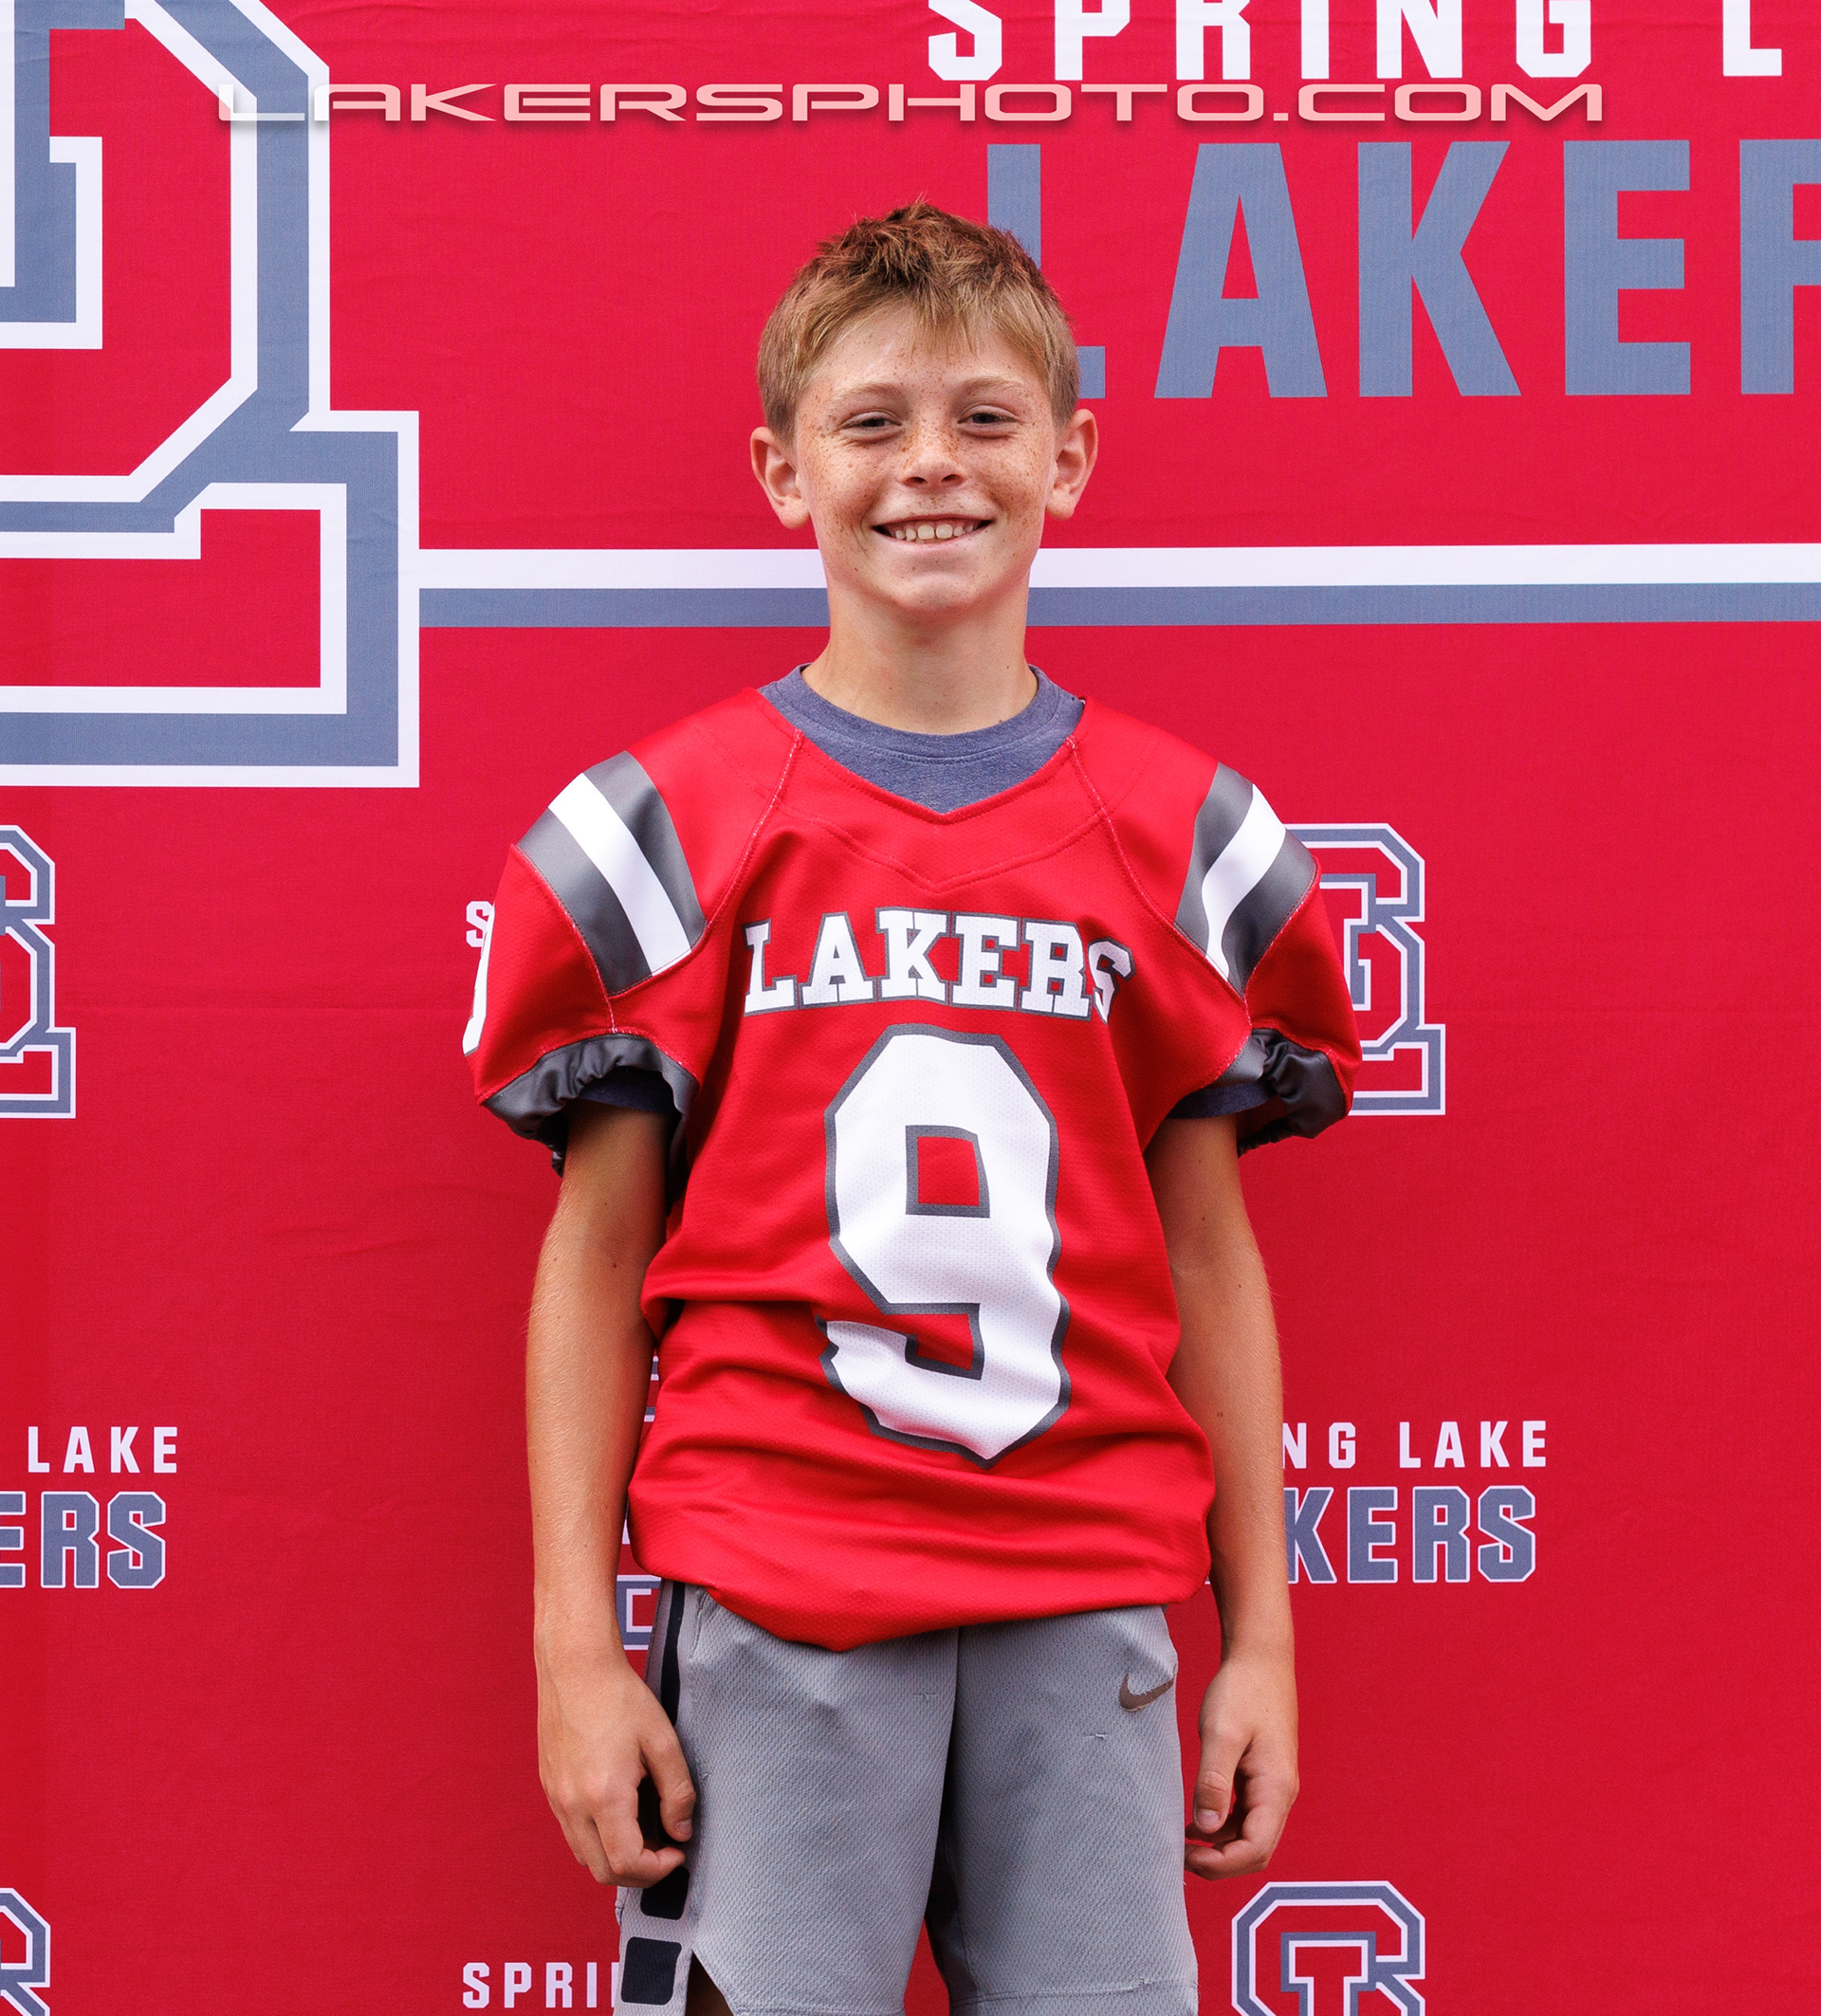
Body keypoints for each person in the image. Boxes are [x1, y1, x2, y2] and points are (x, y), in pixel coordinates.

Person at [465, 200, 1361, 2016]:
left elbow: (1208, 1256)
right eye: (872, 421)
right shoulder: (672, 828)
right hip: (778, 1583)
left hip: (1085, 1593)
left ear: (1070, 459)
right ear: (783, 471)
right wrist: (574, 1644)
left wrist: (1262, 1633)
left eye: (983, 417)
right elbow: (596, 1256)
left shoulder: (1181, 837)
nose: (931, 464)